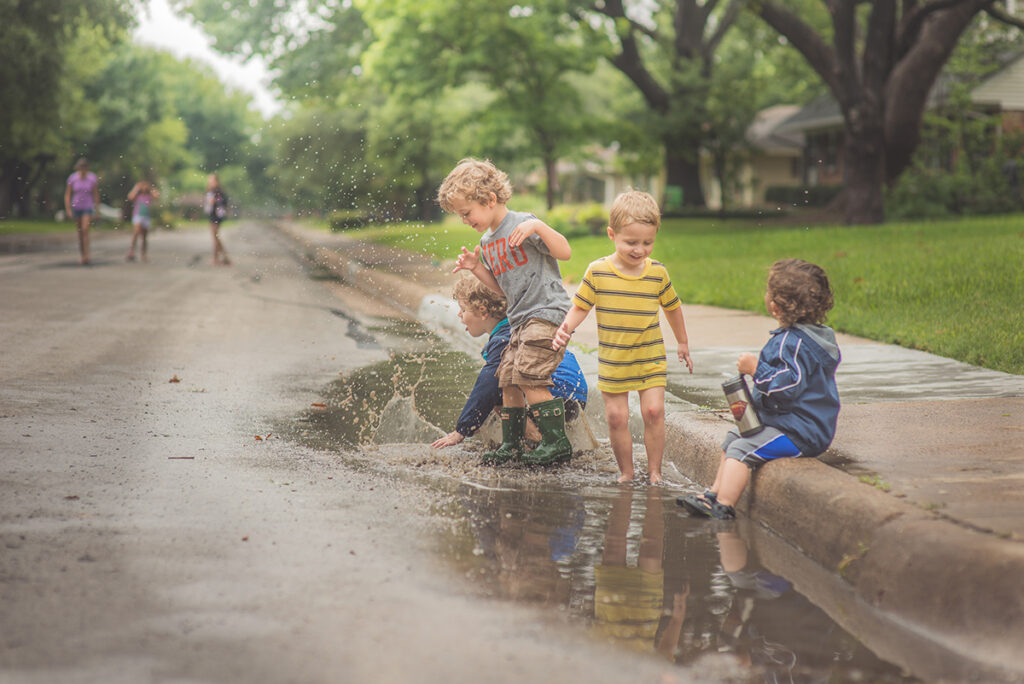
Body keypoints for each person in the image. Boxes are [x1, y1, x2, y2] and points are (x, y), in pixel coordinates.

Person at [678, 258, 841, 520]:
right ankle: (713, 494)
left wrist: (757, 370)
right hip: (788, 423)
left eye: (769, 291)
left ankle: (724, 506)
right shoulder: (809, 336)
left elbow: (788, 387)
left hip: (801, 432)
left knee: (741, 450)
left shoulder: (794, 343)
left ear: (775, 306)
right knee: (733, 438)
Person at [438, 158, 574, 466]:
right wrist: (476, 267)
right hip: (520, 319)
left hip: (546, 311)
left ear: (489, 200)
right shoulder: (487, 243)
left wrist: (538, 226)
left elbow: (565, 252)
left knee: (528, 376)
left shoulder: (523, 223)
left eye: (466, 213)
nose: (464, 220)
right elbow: (501, 288)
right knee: (507, 379)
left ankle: (556, 443)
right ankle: (511, 444)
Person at [552, 190, 693, 484]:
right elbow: (580, 307)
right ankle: (627, 472)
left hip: (649, 355)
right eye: (631, 242)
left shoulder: (657, 274)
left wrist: (682, 342)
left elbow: (673, 307)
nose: (640, 250)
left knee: (654, 411)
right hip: (615, 359)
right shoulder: (598, 271)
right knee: (617, 418)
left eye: (647, 242)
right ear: (611, 234)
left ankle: (654, 472)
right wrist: (566, 329)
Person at [431, 276, 588, 450]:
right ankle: (548, 439)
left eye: (463, 310)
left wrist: (463, 429)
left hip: (553, 397)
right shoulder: (521, 325)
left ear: (483, 312)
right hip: (575, 396)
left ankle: (537, 440)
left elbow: (487, 384)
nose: (459, 315)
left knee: (498, 389)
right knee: (498, 390)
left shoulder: (504, 338)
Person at [64, 158, 100, 265]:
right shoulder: (72, 178)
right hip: (76, 206)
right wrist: (68, 209)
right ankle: (82, 254)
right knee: (80, 232)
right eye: (81, 167)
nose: (83, 170)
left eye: (85, 167)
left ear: (87, 168)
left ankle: (86, 255)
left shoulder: (92, 178)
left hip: (87, 206)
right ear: (78, 168)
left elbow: (96, 194)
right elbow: (68, 195)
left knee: (85, 230)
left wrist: (97, 210)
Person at [125, 180, 160, 262]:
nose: (144, 187)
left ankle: (143, 254)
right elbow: (130, 197)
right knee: (136, 232)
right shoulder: (137, 195)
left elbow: (157, 196)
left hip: (146, 217)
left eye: (145, 186)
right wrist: (136, 188)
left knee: (144, 237)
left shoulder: (149, 195)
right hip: (137, 216)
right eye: (142, 186)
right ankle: (131, 251)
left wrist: (151, 188)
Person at [204, 173, 231, 265]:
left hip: (217, 216)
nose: (210, 182)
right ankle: (219, 257)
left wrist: (214, 201)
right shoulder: (211, 191)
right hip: (212, 215)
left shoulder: (218, 192)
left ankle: (222, 257)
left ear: (216, 182)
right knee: (215, 237)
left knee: (215, 236)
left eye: (211, 180)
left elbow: (222, 203)